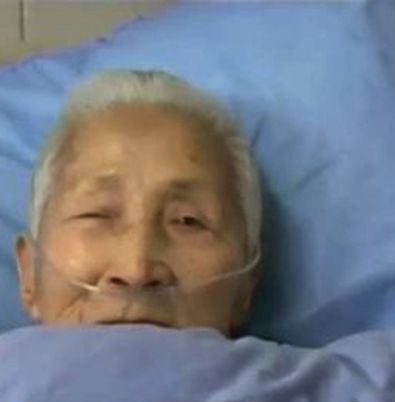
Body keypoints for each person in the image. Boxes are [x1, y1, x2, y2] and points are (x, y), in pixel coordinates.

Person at [14, 69, 263, 337]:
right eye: (96, 214)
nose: (137, 270)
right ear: (29, 272)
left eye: (188, 221)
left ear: (245, 287)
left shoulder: (292, 365)